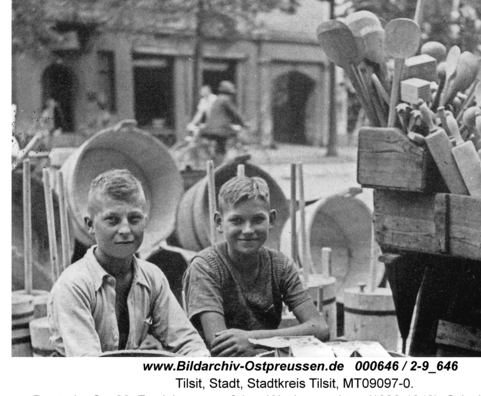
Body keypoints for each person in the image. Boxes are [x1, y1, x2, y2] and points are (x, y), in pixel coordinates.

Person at [47, 169, 209, 357]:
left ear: (145, 221)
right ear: (90, 225)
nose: (125, 229)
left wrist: (200, 363)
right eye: (112, 220)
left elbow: (186, 341)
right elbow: (89, 369)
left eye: (134, 219)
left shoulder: (152, 276)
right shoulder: (74, 285)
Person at [183, 176, 329, 357]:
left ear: (272, 219)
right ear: (219, 222)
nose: (248, 230)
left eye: (258, 220)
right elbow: (219, 344)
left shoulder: (280, 266)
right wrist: (273, 341)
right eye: (236, 221)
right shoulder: (206, 267)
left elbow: (320, 328)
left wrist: (253, 338)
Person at [201, 80, 246, 160]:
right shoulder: (225, 99)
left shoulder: (217, 99)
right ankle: (223, 162)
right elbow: (234, 113)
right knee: (227, 142)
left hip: (210, 128)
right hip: (221, 129)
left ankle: (216, 160)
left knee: (219, 145)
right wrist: (243, 123)